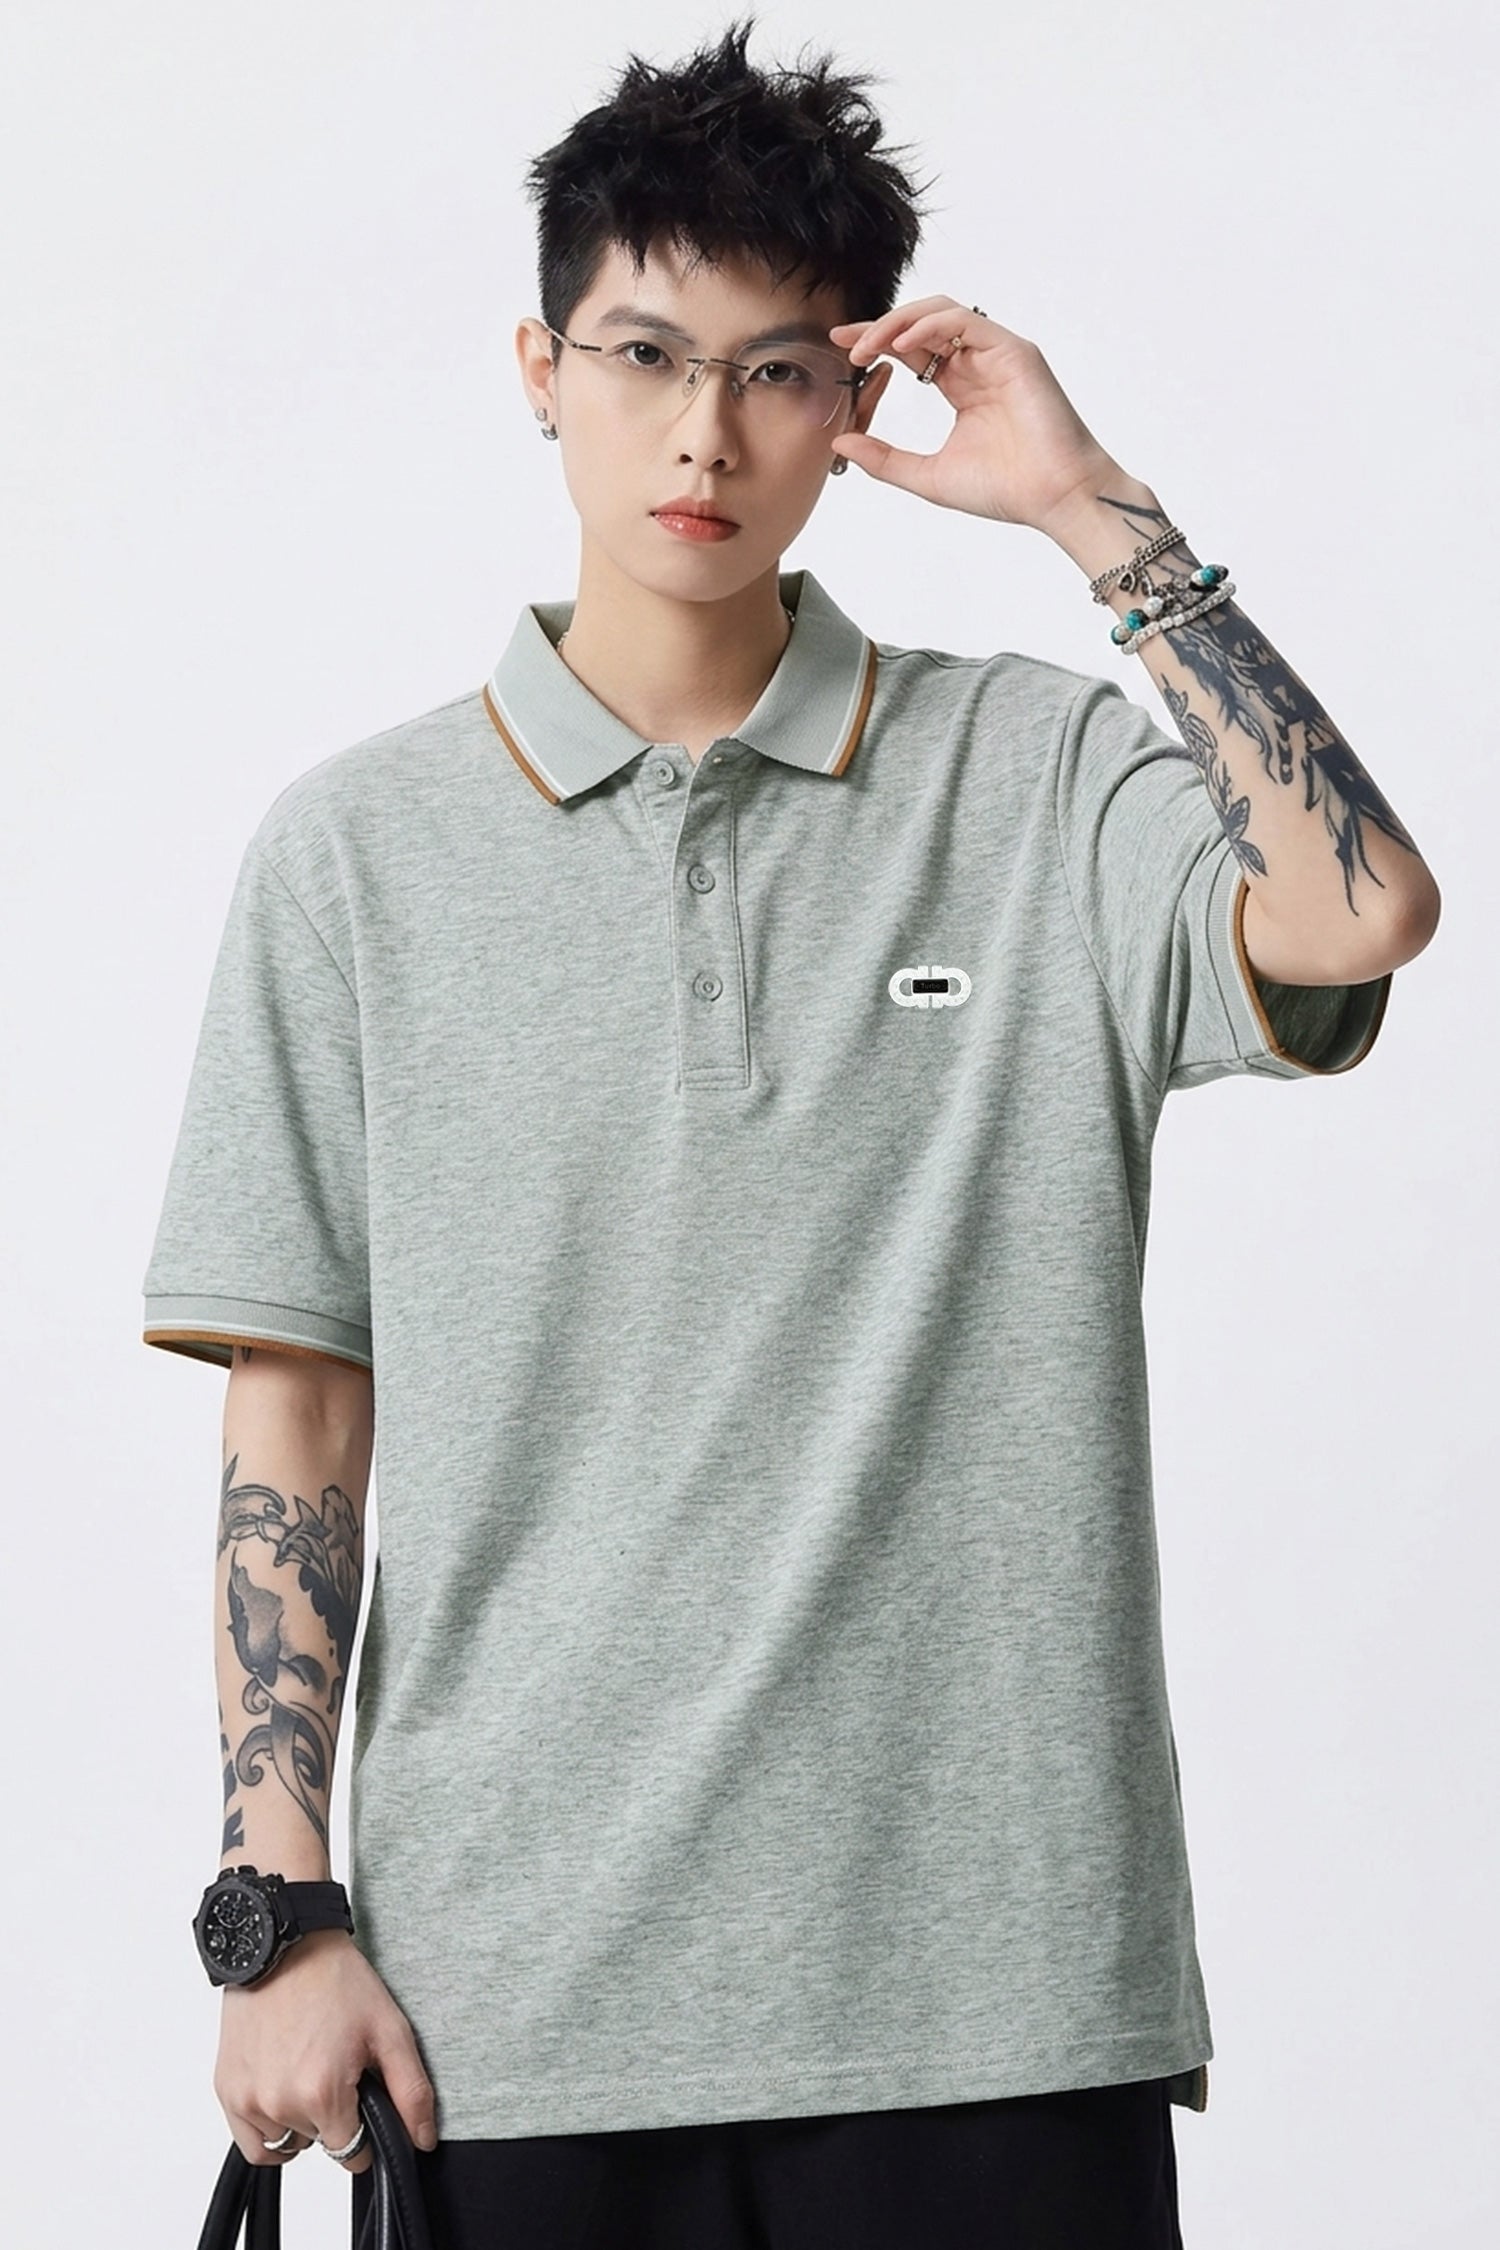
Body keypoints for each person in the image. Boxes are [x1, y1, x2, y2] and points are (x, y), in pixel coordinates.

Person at [143, 16, 1440, 2249]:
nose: (703, 434)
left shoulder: (1035, 781)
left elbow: (1362, 909)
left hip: (1000, 2007)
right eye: (646, 356)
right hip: (511, 2015)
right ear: (539, 367)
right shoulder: (353, 857)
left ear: (853, 404)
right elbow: (302, 1404)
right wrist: (279, 1910)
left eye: (775, 373)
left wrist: (1090, 509)